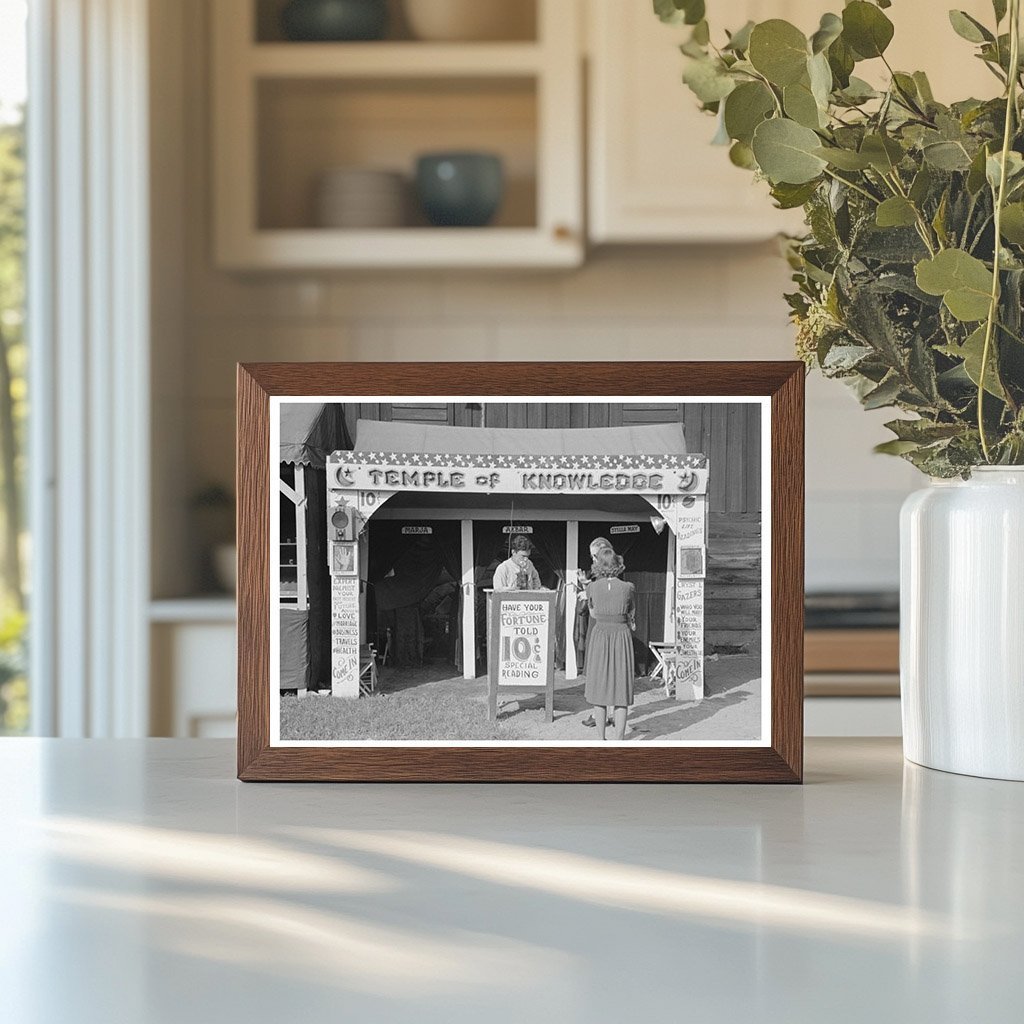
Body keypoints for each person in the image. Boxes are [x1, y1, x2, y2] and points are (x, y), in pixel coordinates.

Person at [583, 547, 636, 741]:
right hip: (621, 636)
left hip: (600, 636)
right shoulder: (628, 587)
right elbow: (631, 615)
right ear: (618, 565)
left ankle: (601, 739)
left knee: (599, 688)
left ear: (598, 566)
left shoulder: (592, 587)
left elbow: (593, 614)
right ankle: (619, 739)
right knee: (620, 688)